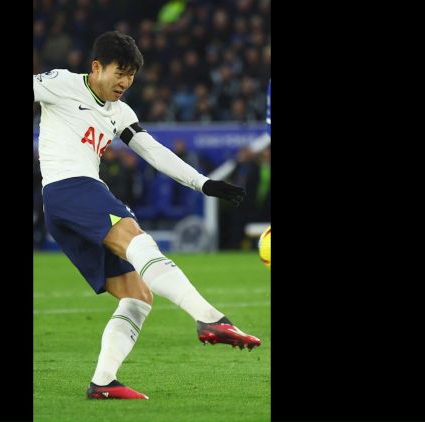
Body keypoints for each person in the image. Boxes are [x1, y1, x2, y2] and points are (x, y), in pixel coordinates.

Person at [32, 31, 261, 401]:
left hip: (68, 207)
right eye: (119, 72)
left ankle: (103, 382)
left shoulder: (121, 112)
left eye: (132, 75)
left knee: (138, 295)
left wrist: (203, 184)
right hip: (69, 189)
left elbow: (153, 151)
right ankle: (211, 318)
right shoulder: (60, 83)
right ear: (96, 67)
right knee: (137, 238)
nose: (125, 82)